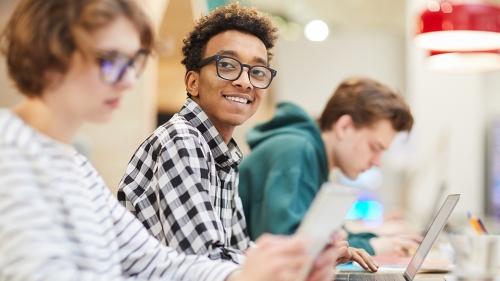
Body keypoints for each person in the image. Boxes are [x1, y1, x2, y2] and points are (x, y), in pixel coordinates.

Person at [0, 0, 339, 280]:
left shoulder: (75, 166)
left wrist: (265, 269)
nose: (129, 81)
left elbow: (156, 263)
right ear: (51, 53)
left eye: (135, 62)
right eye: (112, 61)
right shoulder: (9, 151)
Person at [117, 2, 377, 273]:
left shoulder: (224, 155)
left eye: (258, 71)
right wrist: (293, 259)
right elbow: (206, 262)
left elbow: (238, 250)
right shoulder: (181, 140)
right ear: (192, 82)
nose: (245, 81)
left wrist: (311, 256)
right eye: (228, 65)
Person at [238, 77, 423, 258]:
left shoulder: (312, 156)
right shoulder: (296, 150)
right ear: (344, 127)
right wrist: (373, 247)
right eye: (374, 148)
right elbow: (289, 250)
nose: (377, 162)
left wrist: (381, 240)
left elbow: (327, 237)